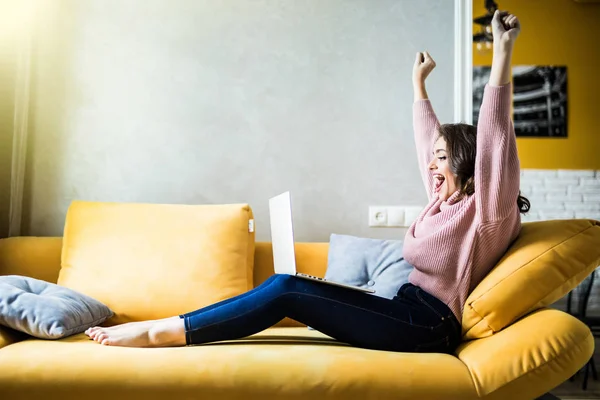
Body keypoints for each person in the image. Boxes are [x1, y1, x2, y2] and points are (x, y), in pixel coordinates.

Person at [86, 11, 528, 353]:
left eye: (442, 159)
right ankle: (168, 326)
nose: (431, 167)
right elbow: (425, 144)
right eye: (432, 160)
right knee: (293, 285)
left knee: (286, 289)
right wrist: (417, 86)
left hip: (429, 324)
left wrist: (502, 55)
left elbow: (494, 139)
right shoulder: (443, 201)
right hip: (402, 307)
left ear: (470, 166)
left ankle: (162, 333)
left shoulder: (487, 210)